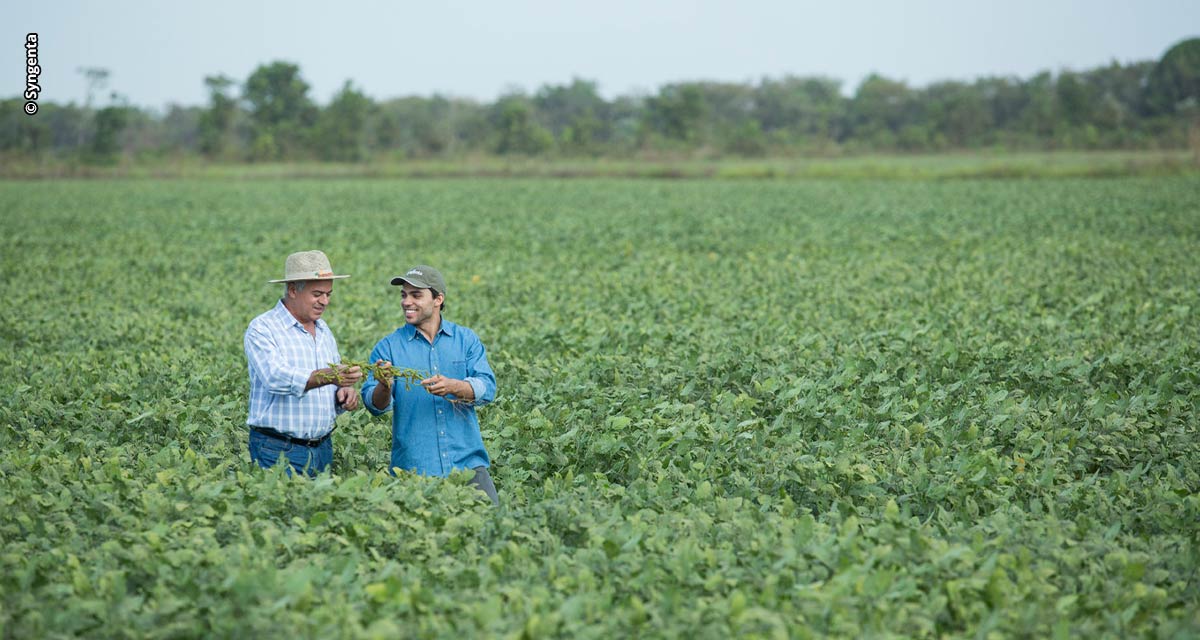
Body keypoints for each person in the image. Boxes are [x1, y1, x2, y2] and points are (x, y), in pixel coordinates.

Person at [360, 265, 499, 505]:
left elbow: (487, 388)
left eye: (416, 295)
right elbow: (375, 406)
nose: (406, 302)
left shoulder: (465, 340)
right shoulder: (388, 348)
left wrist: (455, 386)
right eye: (403, 295)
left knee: (492, 530)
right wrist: (384, 385)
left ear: (438, 299)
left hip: (467, 466)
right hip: (414, 469)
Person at [244, 250, 363, 476]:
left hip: (322, 448)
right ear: (292, 290)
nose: (325, 301)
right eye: (317, 294)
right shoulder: (263, 328)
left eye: (328, 294)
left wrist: (344, 390)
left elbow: (330, 378)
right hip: (278, 449)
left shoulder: (323, 329)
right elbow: (275, 378)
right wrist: (330, 376)